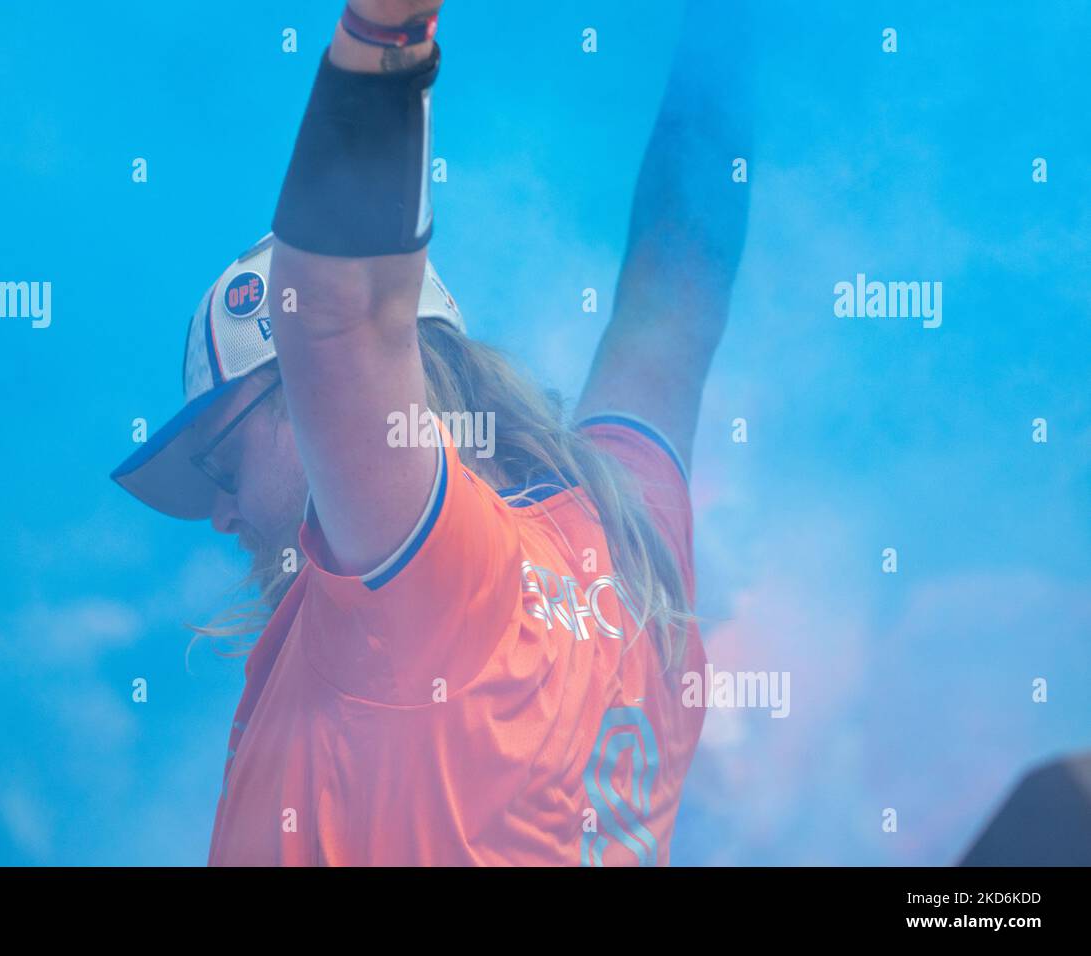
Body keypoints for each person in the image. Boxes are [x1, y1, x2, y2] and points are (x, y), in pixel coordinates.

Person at [111, 0, 751, 865]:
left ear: (322, 404)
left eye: (224, 469)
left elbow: (340, 315)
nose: (222, 516)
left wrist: (386, 30)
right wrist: (732, 34)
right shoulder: (632, 540)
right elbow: (673, 295)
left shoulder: (425, 587)